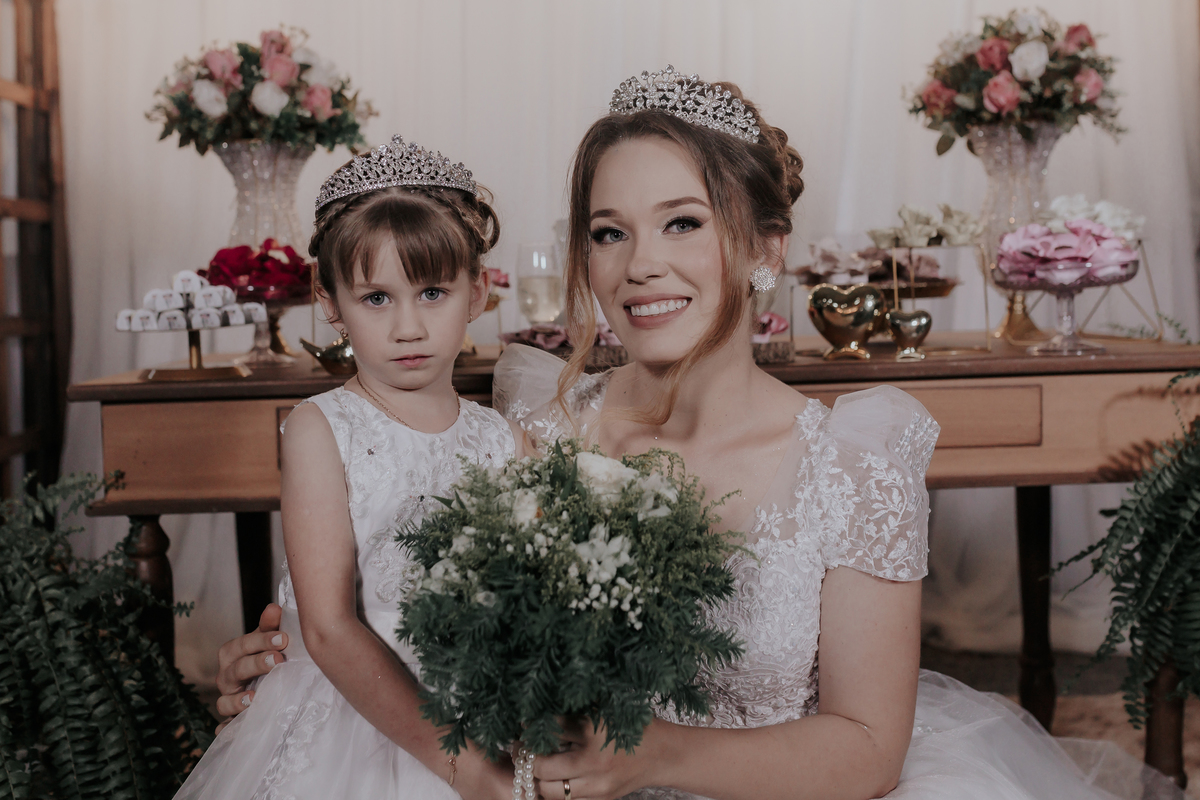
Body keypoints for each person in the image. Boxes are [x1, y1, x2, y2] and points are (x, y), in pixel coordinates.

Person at [215, 71, 1185, 800]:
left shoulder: (852, 464)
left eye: (682, 222)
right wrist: (281, 652)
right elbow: (399, 598)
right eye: (609, 232)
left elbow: (868, 748)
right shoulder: (532, 437)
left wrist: (650, 757)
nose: (640, 265)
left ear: (765, 247)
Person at [177, 136, 523, 800]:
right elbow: (329, 627)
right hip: (349, 715)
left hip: (473, 708)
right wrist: (469, 773)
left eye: (432, 291)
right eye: (376, 298)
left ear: (478, 291)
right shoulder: (322, 428)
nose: (408, 327)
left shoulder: (503, 440)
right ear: (329, 300)